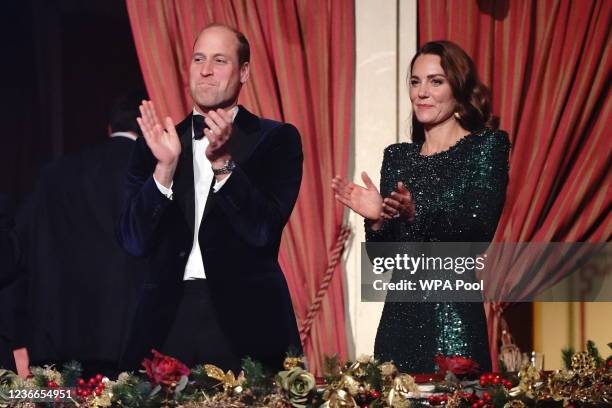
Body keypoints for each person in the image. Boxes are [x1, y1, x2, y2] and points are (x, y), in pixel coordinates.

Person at [118, 24, 303, 372]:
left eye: (219, 60)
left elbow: (263, 231)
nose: (205, 70)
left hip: (247, 325)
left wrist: (224, 164)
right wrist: (165, 169)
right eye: (199, 58)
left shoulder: (276, 139)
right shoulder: (158, 142)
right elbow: (132, 241)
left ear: (244, 71)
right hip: (166, 324)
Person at [332, 41, 509, 373]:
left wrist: (418, 210)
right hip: (397, 324)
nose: (421, 92)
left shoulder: (487, 146)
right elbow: (384, 261)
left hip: (453, 321)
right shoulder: (398, 157)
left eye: (435, 81)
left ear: (459, 88)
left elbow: (478, 229)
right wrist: (377, 222)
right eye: (415, 81)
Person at [14, 91, 150, 377]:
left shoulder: (55, 173)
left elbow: (24, 248)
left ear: (110, 128)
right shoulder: (155, 174)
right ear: (150, 127)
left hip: (61, 333)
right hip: (132, 338)